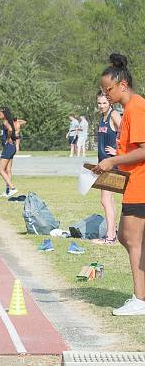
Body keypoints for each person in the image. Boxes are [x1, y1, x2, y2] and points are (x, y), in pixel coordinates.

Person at [94, 54, 145, 315]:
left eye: (109, 89)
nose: (106, 93)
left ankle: (140, 300)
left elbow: (143, 150)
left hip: (141, 186)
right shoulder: (127, 111)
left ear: (122, 84)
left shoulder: (136, 107)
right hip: (132, 183)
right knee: (131, 239)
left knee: (130, 238)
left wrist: (113, 160)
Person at [93, 91, 121, 245]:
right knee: (108, 200)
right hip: (103, 163)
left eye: (104, 103)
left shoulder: (114, 115)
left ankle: (110, 237)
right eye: (99, 103)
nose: (102, 106)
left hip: (112, 163)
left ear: (109, 102)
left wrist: (118, 152)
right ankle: (112, 233)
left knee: (105, 199)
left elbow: (127, 132)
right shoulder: (102, 118)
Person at [0, 107, 18, 197]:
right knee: (8, 170)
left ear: (4, 114)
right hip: (12, 147)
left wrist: (8, 138)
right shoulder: (10, 121)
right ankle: (8, 191)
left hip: (8, 147)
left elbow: (10, 130)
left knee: (0, 170)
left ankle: (13, 188)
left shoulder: (6, 122)